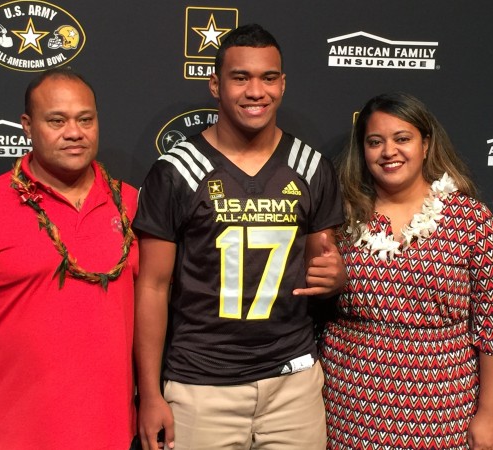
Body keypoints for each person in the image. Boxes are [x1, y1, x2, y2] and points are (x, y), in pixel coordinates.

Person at [133, 24, 346, 450]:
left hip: (293, 385)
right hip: (201, 386)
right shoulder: (177, 170)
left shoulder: (311, 166)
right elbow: (153, 286)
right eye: (240, 77)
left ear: (282, 84)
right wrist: (150, 393)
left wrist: (337, 277)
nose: (256, 91)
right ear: (215, 84)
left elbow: (324, 265)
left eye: (268, 77)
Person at [0, 68, 138, 450]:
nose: (74, 132)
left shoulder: (131, 205)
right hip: (15, 439)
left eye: (85, 119)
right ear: (27, 126)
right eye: (56, 120)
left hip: (113, 437)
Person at [319, 92, 493, 450]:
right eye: (375, 142)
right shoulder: (340, 218)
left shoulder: (472, 221)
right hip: (348, 410)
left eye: (402, 139)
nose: (388, 151)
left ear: (425, 145)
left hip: (443, 414)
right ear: (363, 151)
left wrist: (489, 415)